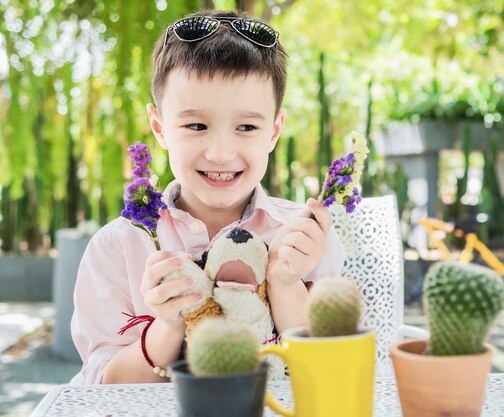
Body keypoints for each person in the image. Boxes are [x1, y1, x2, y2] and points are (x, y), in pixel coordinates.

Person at [71, 9, 345, 384]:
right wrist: (166, 326)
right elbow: (102, 387)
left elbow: (331, 378)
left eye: (247, 126)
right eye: (196, 125)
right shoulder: (119, 247)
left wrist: (285, 284)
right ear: (160, 127)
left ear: (275, 131)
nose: (220, 153)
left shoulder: (307, 241)